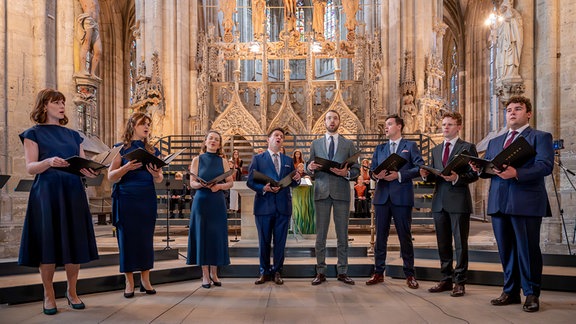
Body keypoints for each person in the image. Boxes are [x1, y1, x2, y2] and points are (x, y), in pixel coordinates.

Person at [18, 88, 99, 315]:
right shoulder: (33, 133)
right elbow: (30, 167)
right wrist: (49, 162)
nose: (62, 105)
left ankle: (72, 291)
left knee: (75, 243)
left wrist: (90, 171)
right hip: (48, 193)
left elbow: (82, 164)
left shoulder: (74, 136)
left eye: (63, 102)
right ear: (45, 106)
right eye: (56, 102)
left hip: (73, 191)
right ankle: (49, 294)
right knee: (49, 244)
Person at [470, 96, 553, 312]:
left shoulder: (540, 137)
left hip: (526, 201)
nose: (512, 113)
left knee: (527, 250)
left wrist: (517, 172)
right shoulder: (496, 142)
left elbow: (545, 166)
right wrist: (479, 168)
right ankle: (510, 291)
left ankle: (531, 293)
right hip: (499, 201)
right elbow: (490, 170)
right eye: (509, 110)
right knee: (505, 250)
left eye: (518, 109)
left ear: (528, 113)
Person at [419, 112, 479, 297]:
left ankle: (460, 281)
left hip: (459, 201)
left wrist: (457, 178)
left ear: (459, 127)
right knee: (443, 243)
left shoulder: (468, 147)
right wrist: (425, 175)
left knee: (460, 243)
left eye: (450, 124)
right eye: (444, 124)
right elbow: (434, 176)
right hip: (439, 202)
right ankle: (445, 279)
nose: (445, 127)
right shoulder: (436, 150)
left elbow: (475, 174)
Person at [108, 112, 163, 298]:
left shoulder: (153, 151)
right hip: (126, 198)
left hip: (146, 198)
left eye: (148, 124)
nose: (147, 127)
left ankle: (146, 279)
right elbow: (110, 176)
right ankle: (129, 281)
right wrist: (125, 168)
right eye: (143, 124)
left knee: (146, 239)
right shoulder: (120, 148)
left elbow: (159, 178)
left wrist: (156, 174)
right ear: (132, 125)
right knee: (127, 240)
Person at [366, 114, 423, 289]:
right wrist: (376, 174)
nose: (386, 127)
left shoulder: (410, 146)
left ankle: (410, 274)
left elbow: (419, 167)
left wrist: (398, 175)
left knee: (404, 236)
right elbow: (371, 171)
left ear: (399, 126)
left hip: (401, 196)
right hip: (382, 197)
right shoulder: (380, 148)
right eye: (385, 125)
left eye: (389, 124)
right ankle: (378, 272)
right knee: (380, 237)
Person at [307, 110, 360, 285]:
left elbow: (356, 170)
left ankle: (342, 271)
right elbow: (310, 167)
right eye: (329, 118)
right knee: (320, 235)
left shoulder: (348, 144)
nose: (332, 121)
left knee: (342, 234)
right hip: (322, 192)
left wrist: (347, 172)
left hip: (341, 193)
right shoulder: (316, 143)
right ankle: (320, 271)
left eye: (335, 118)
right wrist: (311, 167)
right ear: (324, 121)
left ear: (339, 121)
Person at [247, 127, 301, 285]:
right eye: (276, 135)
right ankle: (264, 272)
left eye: (281, 136)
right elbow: (250, 181)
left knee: (280, 242)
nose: (279, 138)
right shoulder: (258, 159)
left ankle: (277, 271)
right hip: (264, 206)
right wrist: (263, 188)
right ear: (268, 140)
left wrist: (297, 179)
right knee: (263, 241)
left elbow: (294, 183)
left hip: (283, 206)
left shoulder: (287, 160)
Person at [187, 130, 234, 288]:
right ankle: (205, 274)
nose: (213, 141)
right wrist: (200, 184)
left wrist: (219, 186)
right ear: (205, 142)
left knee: (216, 236)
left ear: (220, 144)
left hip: (217, 200)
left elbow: (230, 183)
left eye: (216, 140)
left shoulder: (223, 161)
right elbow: (191, 183)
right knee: (202, 235)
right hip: (201, 201)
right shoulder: (197, 160)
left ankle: (214, 272)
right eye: (211, 138)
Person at [496, 0, 523, 82]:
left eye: (504, 8)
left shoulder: (514, 14)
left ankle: (511, 72)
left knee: (511, 57)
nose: (502, 10)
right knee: (503, 58)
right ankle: (503, 74)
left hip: (512, 41)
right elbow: (498, 32)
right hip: (503, 44)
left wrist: (510, 20)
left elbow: (519, 26)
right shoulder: (501, 18)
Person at [77, 0, 102, 77]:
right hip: (88, 19)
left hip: (95, 24)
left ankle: (92, 73)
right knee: (86, 44)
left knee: (98, 51)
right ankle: (82, 69)